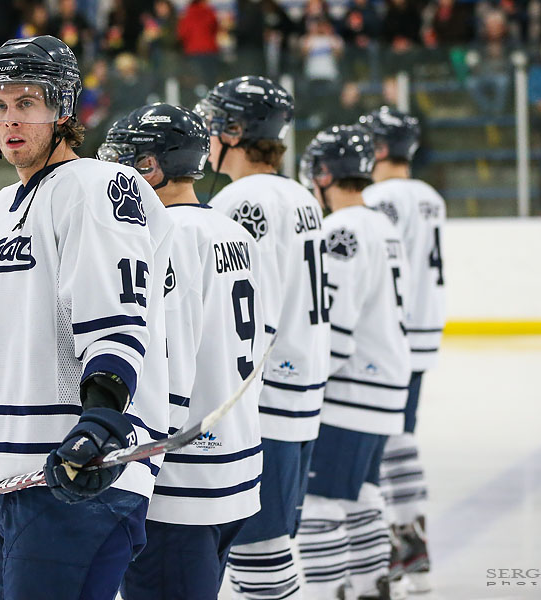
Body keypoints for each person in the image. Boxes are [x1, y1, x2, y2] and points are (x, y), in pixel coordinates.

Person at [0, 35, 174, 600]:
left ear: (63, 110)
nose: (9, 120)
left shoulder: (95, 186)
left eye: (26, 103)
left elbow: (117, 321)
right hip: (12, 475)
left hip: (79, 474)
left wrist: (102, 421)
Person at [99, 102, 267, 600]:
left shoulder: (166, 236)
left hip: (180, 476)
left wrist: (134, 453)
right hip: (235, 459)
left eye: (124, 160)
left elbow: (165, 361)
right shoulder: (233, 231)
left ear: (151, 166)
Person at [196, 75, 330, 600]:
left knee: (260, 554)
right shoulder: (301, 196)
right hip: (300, 393)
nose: (207, 132)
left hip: (262, 402)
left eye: (214, 122)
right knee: (269, 546)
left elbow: (250, 313)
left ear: (235, 130)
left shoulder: (239, 201)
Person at [296, 124, 411, 600]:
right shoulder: (382, 225)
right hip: (383, 384)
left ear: (323, 174)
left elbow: (335, 325)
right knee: (361, 491)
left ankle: (331, 592)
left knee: (319, 500)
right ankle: (371, 585)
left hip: (351, 390)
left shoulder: (341, 230)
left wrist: (302, 380)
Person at [362, 106, 446, 594]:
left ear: (378, 148)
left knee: (381, 439)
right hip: (423, 329)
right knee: (400, 432)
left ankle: (395, 543)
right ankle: (410, 539)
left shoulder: (380, 198)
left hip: (391, 334)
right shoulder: (431, 196)